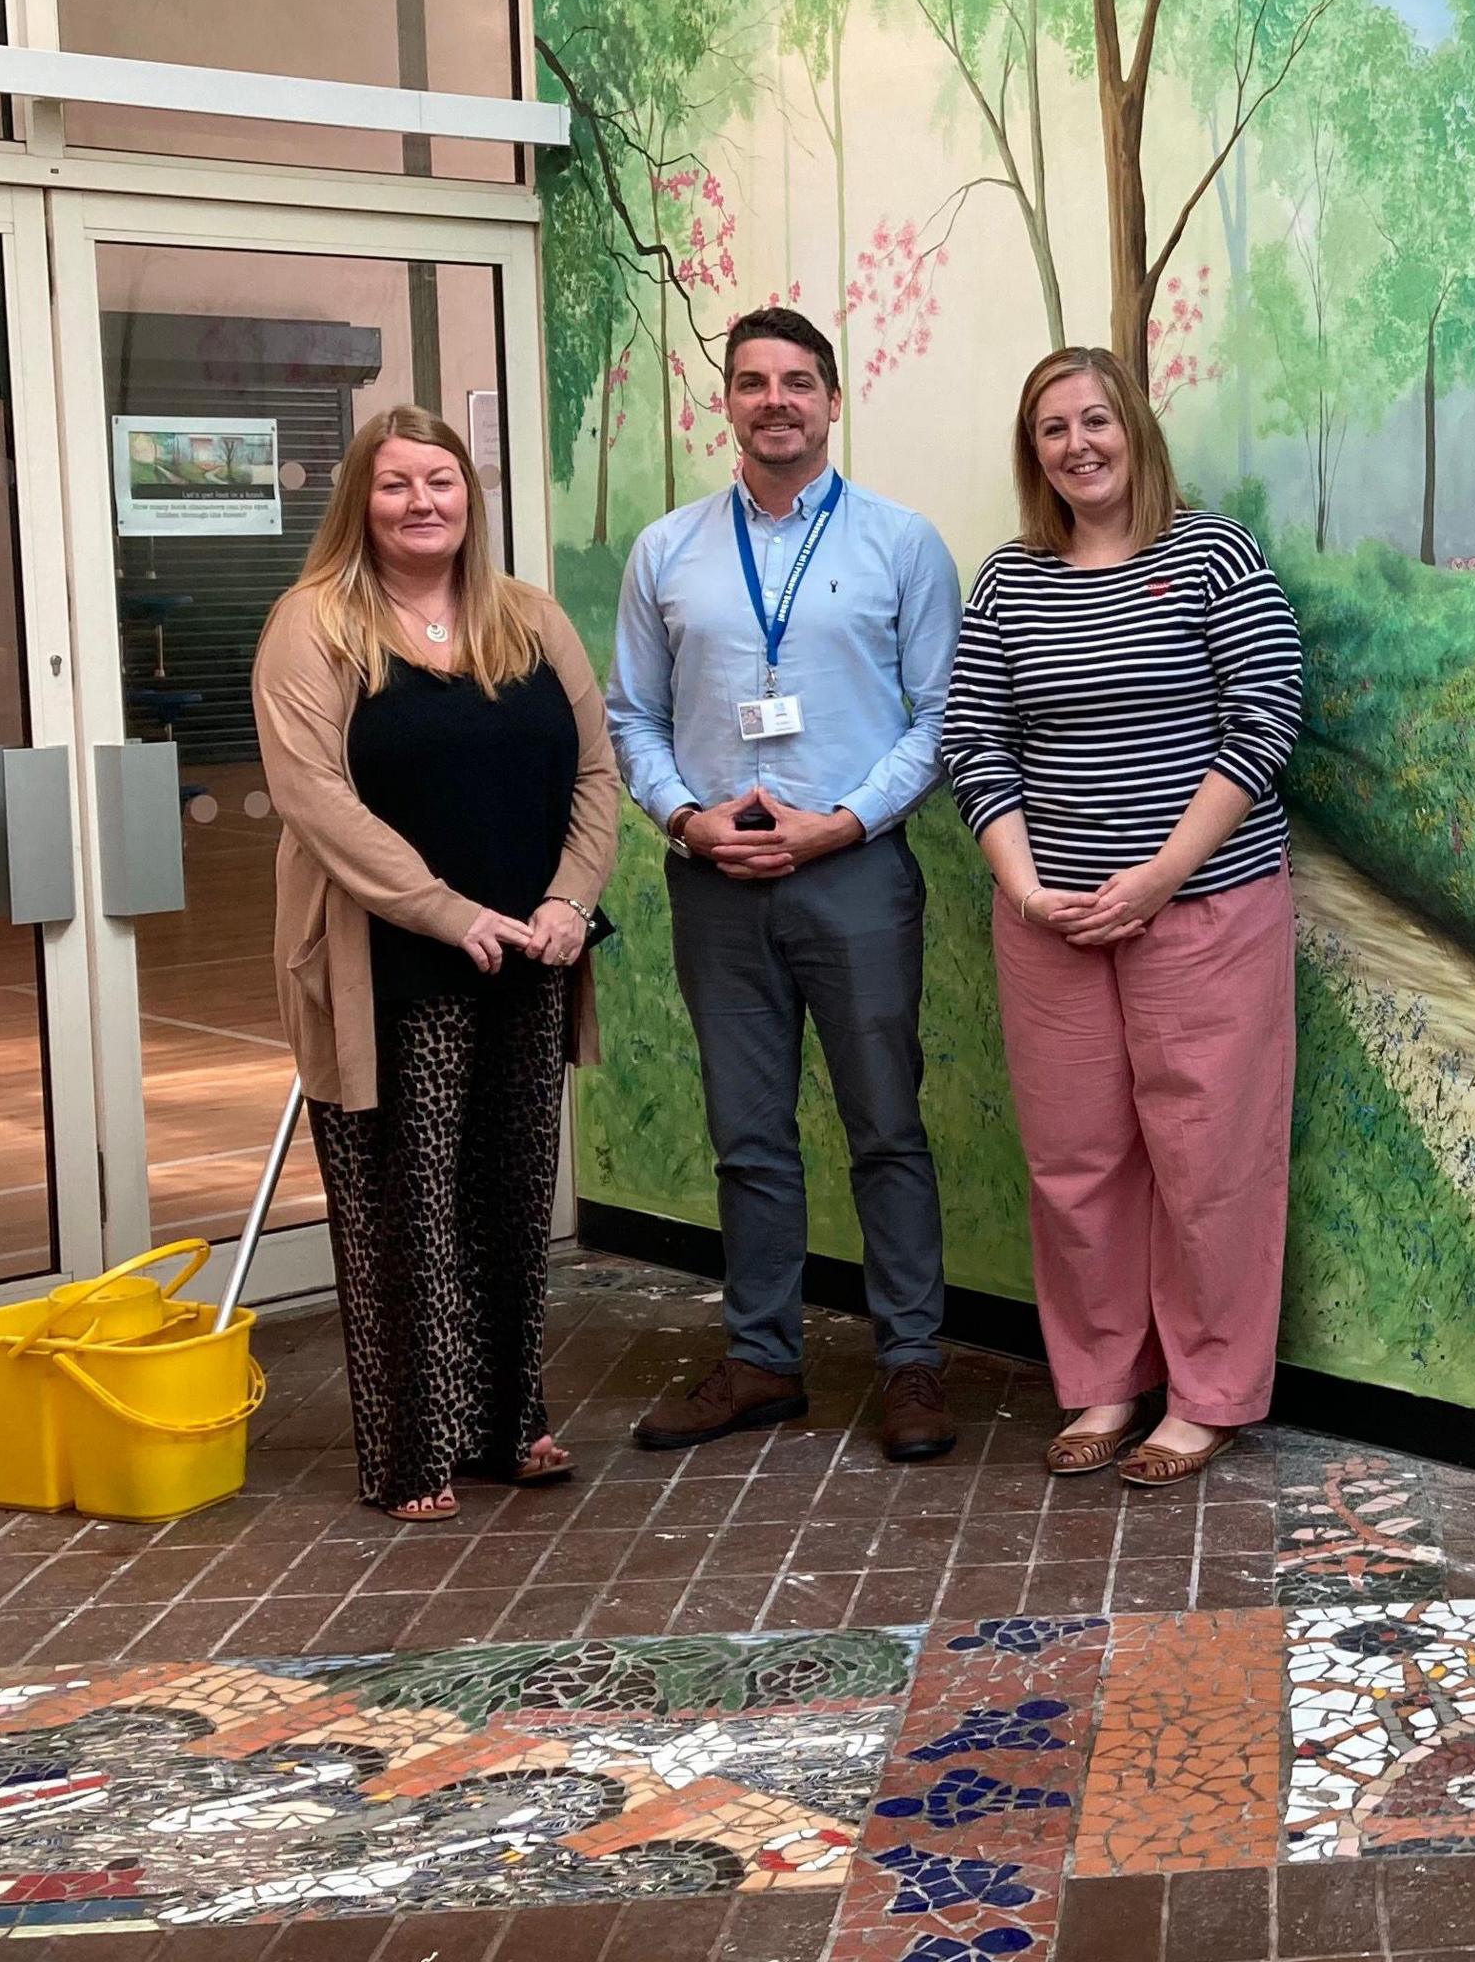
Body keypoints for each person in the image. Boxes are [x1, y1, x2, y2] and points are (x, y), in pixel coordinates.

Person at [942, 346, 1305, 1487]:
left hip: (1205, 908)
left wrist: (1156, 876)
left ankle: (1205, 1395)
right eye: (1052, 429)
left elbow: (1265, 718)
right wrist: (1023, 884)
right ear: (1033, 453)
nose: (1077, 444)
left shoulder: (1212, 554)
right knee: (1074, 1162)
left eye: (1094, 419)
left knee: (1211, 1160)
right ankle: (1103, 1380)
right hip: (1050, 924)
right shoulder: (1008, 579)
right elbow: (974, 740)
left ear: (1133, 430)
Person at [609, 306, 965, 1462]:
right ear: (727, 401)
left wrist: (837, 826)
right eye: (754, 381)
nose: (777, 400)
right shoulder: (668, 551)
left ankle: (911, 1364)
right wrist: (689, 820)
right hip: (716, 884)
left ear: (831, 400)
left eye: (798, 382)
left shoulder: (900, 545)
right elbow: (632, 717)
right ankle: (762, 1359)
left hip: (853, 877)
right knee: (746, 1134)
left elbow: (940, 719)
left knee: (885, 1128)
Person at [254, 406, 617, 1522]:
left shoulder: (528, 618)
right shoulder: (313, 625)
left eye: (443, 484)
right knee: (404, 1209)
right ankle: (413, 1454)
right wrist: (446, 909)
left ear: (472, 498)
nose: (425, 503)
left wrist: (567, 901)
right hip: (393, 962)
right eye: (399, 484)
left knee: (510, 1201)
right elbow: (314, 799)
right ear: (360, 499)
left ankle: (509, 1424)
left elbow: (597, 773)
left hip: (526, 955)